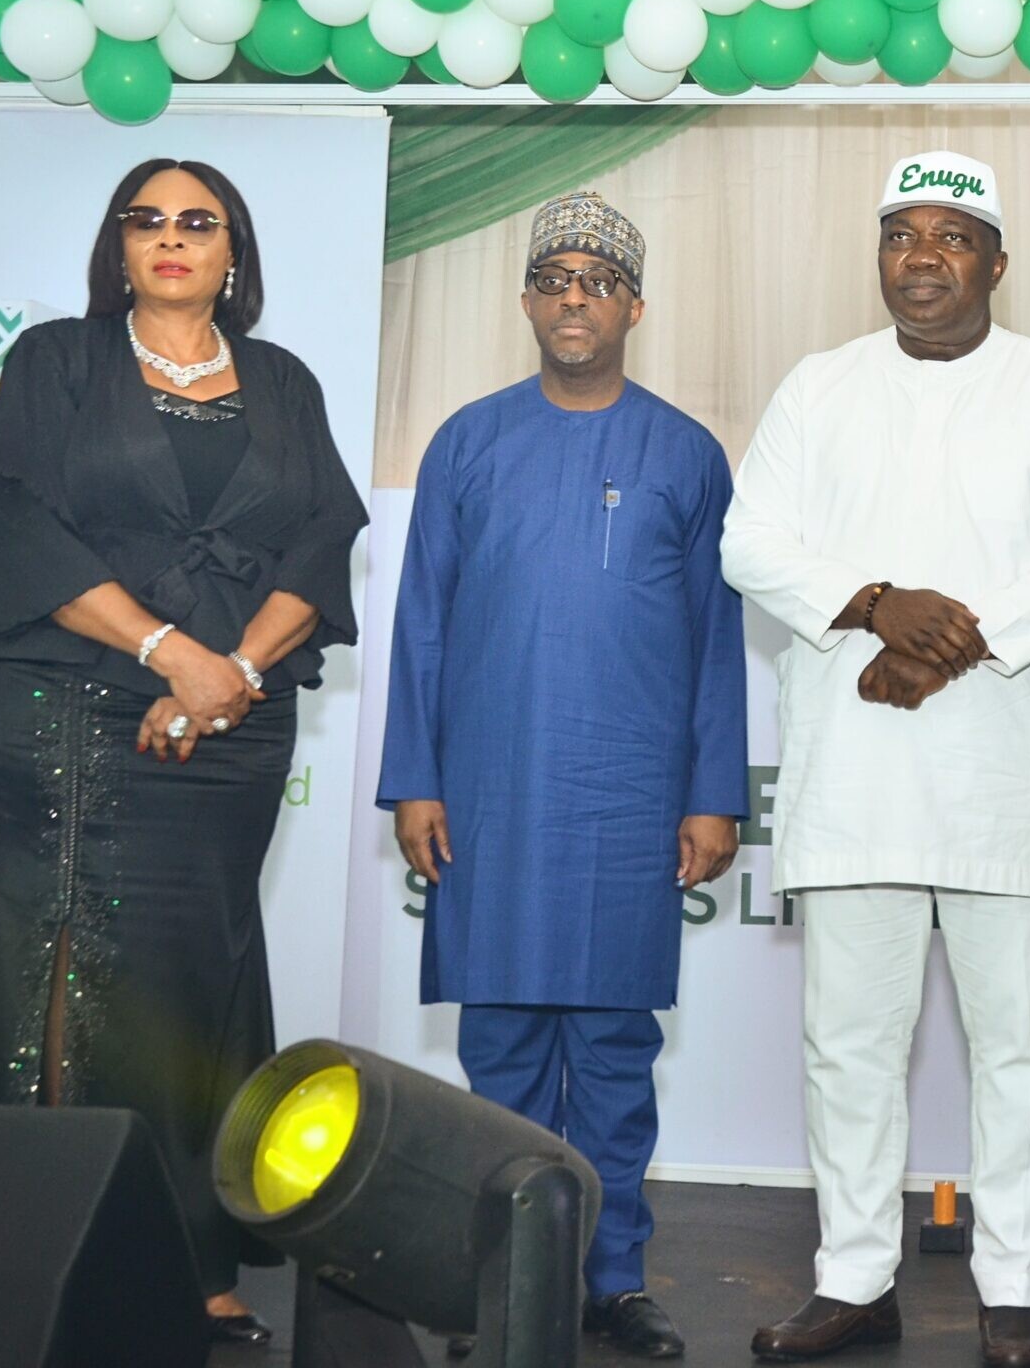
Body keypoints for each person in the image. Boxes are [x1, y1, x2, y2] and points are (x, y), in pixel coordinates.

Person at [0, 158, 366, 1345]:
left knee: (204, 970)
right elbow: (20, 514)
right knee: (68, 969)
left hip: (237, 721)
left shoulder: (283, 381)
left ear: (234, 252)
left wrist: (228, 672)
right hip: (78, 702)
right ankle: (45, 1248)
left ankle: (195, 1257)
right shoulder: (58, 362)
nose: (172, 238)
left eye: (200, 222)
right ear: (117, 245)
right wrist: (171, 653)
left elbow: (325, 538)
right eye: (148, 221)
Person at [725, 151, 1030, 1368]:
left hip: (1002, 768)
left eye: (954, 236)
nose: (924, 256)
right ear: (880, 257)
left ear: (996, 263)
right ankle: (854, 1278)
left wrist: (951, 646)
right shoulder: (818, 385)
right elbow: (754, 543)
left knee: (1017, 1046)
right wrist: (874, 600)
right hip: (856, 767)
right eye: (903, 233)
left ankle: (1013, 1289)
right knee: (849, 1043)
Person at [377, 190, 747, 1359]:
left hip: (627, 797)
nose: (573, 296)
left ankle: (612, 1277)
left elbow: (713, 642)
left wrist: (711, 792)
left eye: (597, 279)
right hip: (489, 792)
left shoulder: (686, 453)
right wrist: (416, 779)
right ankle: (500, 1278)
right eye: (554, 278)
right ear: (528, 301)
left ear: (635, 304)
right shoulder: (467, 441)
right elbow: (420, 623)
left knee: (613, 1056)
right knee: (499, 1057)